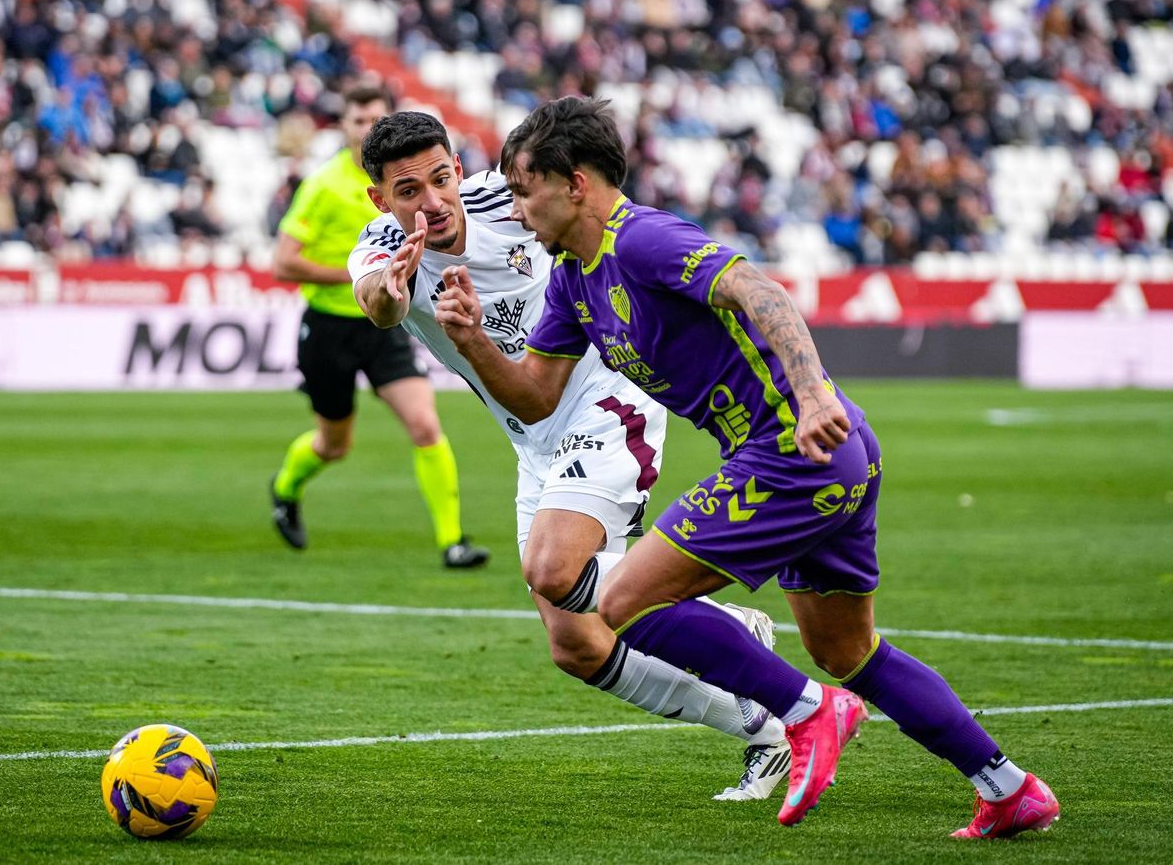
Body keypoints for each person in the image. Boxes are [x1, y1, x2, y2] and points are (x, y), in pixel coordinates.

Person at [433, 97, 1058, 837]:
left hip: (796, 453)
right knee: (846, 649)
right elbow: (536, 396)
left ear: (575, 183)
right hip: (819, 459)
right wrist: (473, 342)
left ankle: (806, 713)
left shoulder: (644, 240)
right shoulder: (573, 278)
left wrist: (813, 392)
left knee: (618, 604)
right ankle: (1009, 787)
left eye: (524, 189)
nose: (515, 208)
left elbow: (759, 291)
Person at [347, 111, 790, 800]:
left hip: (606, 400)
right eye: (408, 191)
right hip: (534, 435)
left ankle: (719, 620)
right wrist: (393, 289)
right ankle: (764, 728)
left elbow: (592, 209)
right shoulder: (379, 246)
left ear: (458, 170)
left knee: (553, 568)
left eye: (440, 179)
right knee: (577, 645)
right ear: (381, 200)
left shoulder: (512, 199)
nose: (431, 202)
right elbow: (374, 300)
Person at [268, 87, 486, 568]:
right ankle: (285, 486)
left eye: (375, 119)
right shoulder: (322, 186)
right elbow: (283, 263)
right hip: (330, 326)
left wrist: (394, 288)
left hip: (388, 324)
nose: (368, 127)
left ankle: (453, 542)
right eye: (358, 119)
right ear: (344, 127)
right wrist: (362, 276)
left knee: (425, 424)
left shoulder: (411, 176)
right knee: (334, 444)